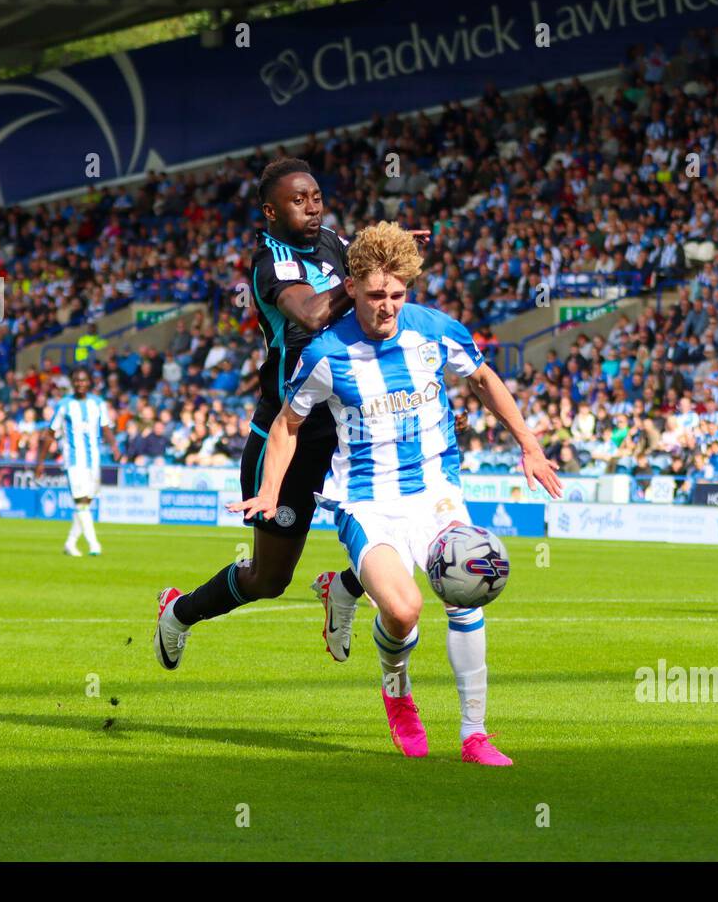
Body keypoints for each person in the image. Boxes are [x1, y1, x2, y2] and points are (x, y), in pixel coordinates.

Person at [229, 223, 562, 765]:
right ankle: (397, 692)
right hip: (368, 502)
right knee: (404, 610)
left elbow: (482, 379)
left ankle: (474, 734)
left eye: (398, 294)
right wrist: (269, 491)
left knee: (464, 593)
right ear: (353, 287)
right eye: (377, 294)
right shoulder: (327, 353)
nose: (388, 306)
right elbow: (289, 424)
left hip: (437, 495)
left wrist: (529, 445)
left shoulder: (434, 330)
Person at [152, 159, 424, 669]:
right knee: (269, 579)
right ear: (271, 210)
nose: (313, 205)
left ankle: (342, 588)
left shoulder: (335, 244)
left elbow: (375, 288)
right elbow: (313, 313)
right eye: (299, 200)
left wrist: (391, 256)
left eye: (317, 195)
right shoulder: (269, 263)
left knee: (403, 524)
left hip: (348, 427)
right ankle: (180, 611)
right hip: (289, 433)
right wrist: (361, 278)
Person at [36, 366, 117, 556]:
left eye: (84, 380)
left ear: (90, 382)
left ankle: (70, 543)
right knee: (81, 502)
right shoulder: (64, 404)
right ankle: (94, 544)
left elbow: (105, 427)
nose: (81, 383)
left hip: (93, 460)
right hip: (73, 460)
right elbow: (50, 433)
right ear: (72, 383)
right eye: (77, 380)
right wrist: (40, 462)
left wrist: (115, 447)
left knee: (85, 504)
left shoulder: (98, 403)